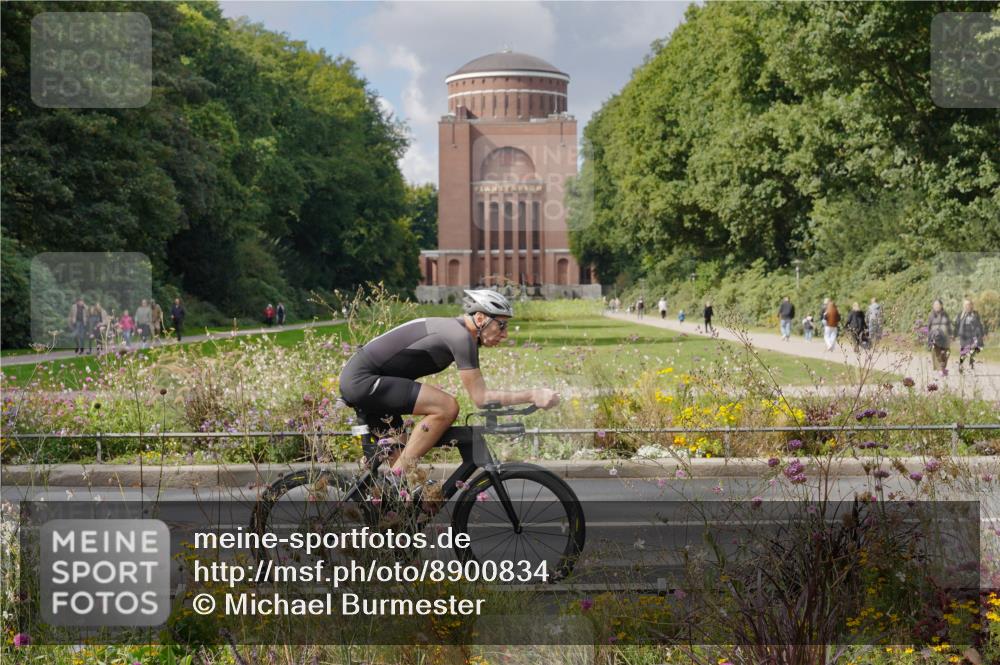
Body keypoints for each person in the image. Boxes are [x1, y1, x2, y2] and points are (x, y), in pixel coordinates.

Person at [338, 289, 560, 484]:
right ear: (481, 318)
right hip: (363, 380)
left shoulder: (460, 334)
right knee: (446, 407)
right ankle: (394, 478)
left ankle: (388, 507)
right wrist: (533, 394)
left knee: (411, 489)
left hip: (373, 383)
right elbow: (481, 398)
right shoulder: (460, 336)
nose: (505, 334)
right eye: (501, 325)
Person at [956, 298, 986, 373]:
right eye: (966, 305)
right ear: (964, 306)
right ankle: (961, 364)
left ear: (972, 305)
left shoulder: (975, 313)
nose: (968, 306)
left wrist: (982, 334)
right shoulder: (961, 314)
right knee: (964, 351)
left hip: (974, 334)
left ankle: (971, 361)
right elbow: (957, 325)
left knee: (978, 347)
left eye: (969, 304)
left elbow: (979, 325)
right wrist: (954, 335)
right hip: (964, 334)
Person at [927, 299, 952, 376]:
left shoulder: (945, 315)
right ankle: (940, 369)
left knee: (946, 352)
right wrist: (929, 337)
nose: (936, 306)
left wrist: (951, 334)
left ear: (941, 306)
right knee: (936, 352)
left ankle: (943, 367)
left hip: (945, 337)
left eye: (938, 305)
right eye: (935, 305)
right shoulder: (931, 315)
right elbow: (929, 327)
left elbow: (949, 325)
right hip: (935, 337)